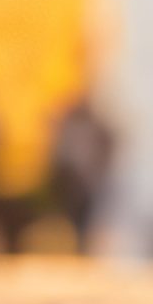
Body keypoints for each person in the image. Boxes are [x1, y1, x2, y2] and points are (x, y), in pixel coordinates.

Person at [48, 86, 115, 254]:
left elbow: (108, 143)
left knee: (85, 220)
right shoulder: (70, 123)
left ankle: (82, 247)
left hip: (87, 181)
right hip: (71, 179)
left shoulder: (93, 124)